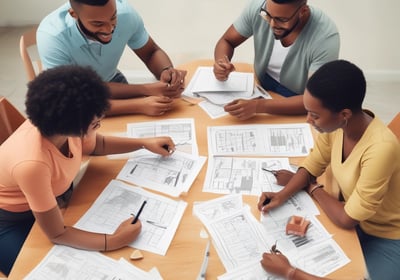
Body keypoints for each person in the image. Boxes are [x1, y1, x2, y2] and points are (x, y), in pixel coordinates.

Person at [0, 65, 176, 276]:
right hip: (11, 222)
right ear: (71, 127)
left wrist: (143, 143)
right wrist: (114, 240)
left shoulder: (59, 124)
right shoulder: (32, 164)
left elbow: (96, 145)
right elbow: (57, 234)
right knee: (38, 272)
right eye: (96, 123)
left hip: (51, 201)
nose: (99, 124)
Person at [258, 60, 400, 280]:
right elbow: (313, 164)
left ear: (344, 114)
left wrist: (289, 272)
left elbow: (346, 218)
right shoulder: (336, 126)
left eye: (314, 115)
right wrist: (281, 195)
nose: (308, 120)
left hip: (386, 235)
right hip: (353, 217)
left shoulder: (381, 149)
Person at [37, 0, 187, 117]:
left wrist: (167, 70)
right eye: (98, 24)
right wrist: (140, 100)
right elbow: (77, 102)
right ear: (73, 14)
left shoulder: (126, 14)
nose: (109, 29)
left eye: (113, 17)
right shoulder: (52, 38)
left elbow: (151, 52)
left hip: (112, 80)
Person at [213, 0, 339, 120]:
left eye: (281, 19)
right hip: (261, 87)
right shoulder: (259, 7)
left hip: (298, 103)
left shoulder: (325, 38)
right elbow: (227, 41)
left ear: (303, 11)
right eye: (268, 15)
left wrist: (258, 106)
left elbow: (315, 99)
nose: (272, 24)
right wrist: (221, 62)